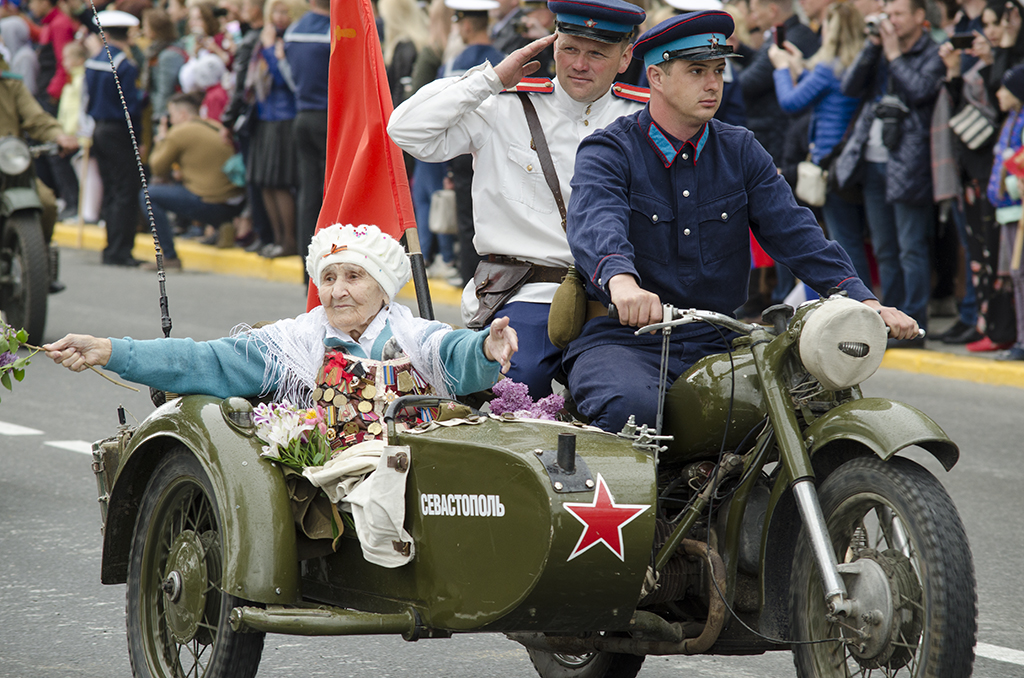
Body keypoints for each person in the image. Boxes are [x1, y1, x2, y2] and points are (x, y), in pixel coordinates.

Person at [563, 10, 919, 432]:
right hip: (625, 340)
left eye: (718, 70)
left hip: (718, 341)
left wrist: (863, 300)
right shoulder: (609, 150)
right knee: (631, 406)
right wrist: (621, 281)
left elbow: (797, 234)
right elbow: (596, 220)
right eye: (697, 71)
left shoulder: (741, 149)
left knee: (805, 407)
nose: (713, 83)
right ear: (656, 77)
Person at [388, 0, 648, 399]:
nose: (580, 64)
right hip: (523, 293)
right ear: (553, 43)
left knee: (630, 402)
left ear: (625, 56)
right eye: (570, 49)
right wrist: (489, 80)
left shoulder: (642, 117)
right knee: (510, 396)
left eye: (597, 53)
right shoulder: (505, 103)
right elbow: (406, 130)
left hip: (612, 297)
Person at [43, 223, 519, 425]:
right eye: (328, 278)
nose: (337, 291)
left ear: (383, 290)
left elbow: (457, 354)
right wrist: (109, 350)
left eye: (354, 277)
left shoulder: (416, 336)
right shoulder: (292, 344)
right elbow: (203, 360)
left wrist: (485, 349)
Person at [834, 0, 944, 347]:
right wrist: (873, 47)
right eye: (888, 15)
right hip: (873, 160)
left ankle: (914, 325)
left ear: (919, 17)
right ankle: (889, 322)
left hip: (910, 163)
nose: (891, 21)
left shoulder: (933, 51)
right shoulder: (882, 48)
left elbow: (921, 92)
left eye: (898, 14)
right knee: (884, 248)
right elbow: (849, 88)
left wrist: (895, 55)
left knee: (911, 246)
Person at [769, 1, 871, 285]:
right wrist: (799, 66)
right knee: (857, 237)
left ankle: (859, 304)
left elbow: (791, 102)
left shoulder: (828, 68)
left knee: (844, 240)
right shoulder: (857, 64)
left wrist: (780, 69)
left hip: (830, 160)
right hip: (855, 158)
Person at [140, 92, 245, 270]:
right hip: (235, 201)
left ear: (183, 115)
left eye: (171, 115)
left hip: (210, 203)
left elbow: (157, 167)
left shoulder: (181, 131)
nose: (170, 120)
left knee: (148, 195)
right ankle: (223, 225)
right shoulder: (213, 124)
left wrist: (161, 139)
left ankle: (170, 256)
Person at [85, 10, 143, 267]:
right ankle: (120, 249)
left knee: (111, 188)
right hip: (119, 131)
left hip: (99, 128)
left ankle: (111, 247)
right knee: (125, 190)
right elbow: (131, 106)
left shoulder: (93, 61)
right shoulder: (125, 65)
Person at [247, 0, 302, 259]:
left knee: (279, 183)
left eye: (285, 12)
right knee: (264, 182)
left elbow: (287, 80)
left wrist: (270, 50)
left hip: (284, 118)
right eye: (276, 12)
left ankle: (288, 240)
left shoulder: (289, 41)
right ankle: (276, 238)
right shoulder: (264, 40)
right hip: (266, 117)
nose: (279, 17)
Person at [283, 0, 331, 262]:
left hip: (302, 115)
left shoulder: (293, 30)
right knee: (331, 195)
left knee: (308, 196)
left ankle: (308, 269)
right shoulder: (333, 31)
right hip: (328, 119)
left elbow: (289, 76)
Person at [985, 66, 1024, 360]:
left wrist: (1012, 184)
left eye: (1005, 89)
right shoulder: (1011, 120)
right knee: (1016, 274)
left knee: (1020, 273)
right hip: (1007, 211)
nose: (999, 94)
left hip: (1019, 209)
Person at [27, 0, 76, 112]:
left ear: (44, 2)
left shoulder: (59, 24)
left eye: (32, 2)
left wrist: (54, 92)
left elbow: (64, 61)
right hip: (46, 87)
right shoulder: (50, 22)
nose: (30, 6)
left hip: (51, 92)